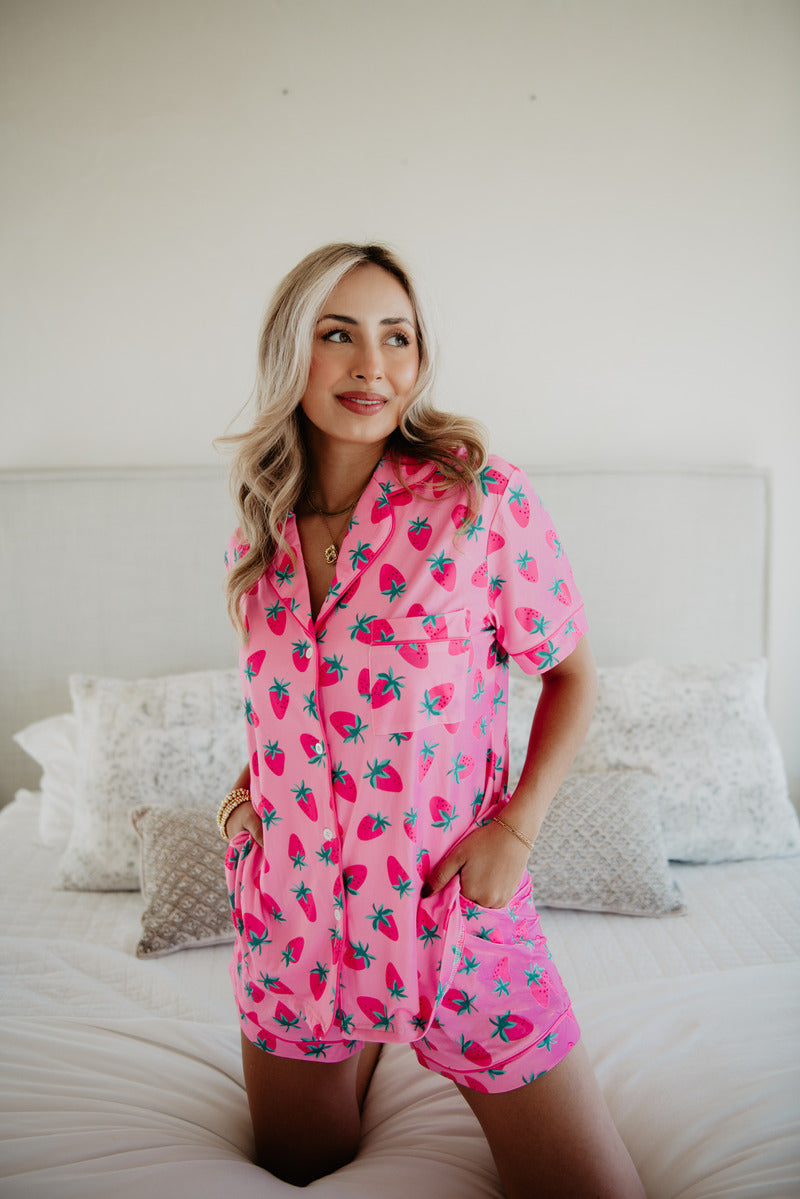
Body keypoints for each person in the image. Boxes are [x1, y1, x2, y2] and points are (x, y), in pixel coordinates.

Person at [217, 242, 645, 1197]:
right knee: (297, 1173)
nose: (372, 366)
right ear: (293, 352)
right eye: (338, 335)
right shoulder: (261, 516)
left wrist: (517, 830)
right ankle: (371, 1037)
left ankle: (400, 1029)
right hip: (296, 919)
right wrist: (249, 794)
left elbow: (572, 675)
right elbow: (288, 696)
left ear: (419, 358)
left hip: (459, 915)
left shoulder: (478, 496)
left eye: (396, 338)